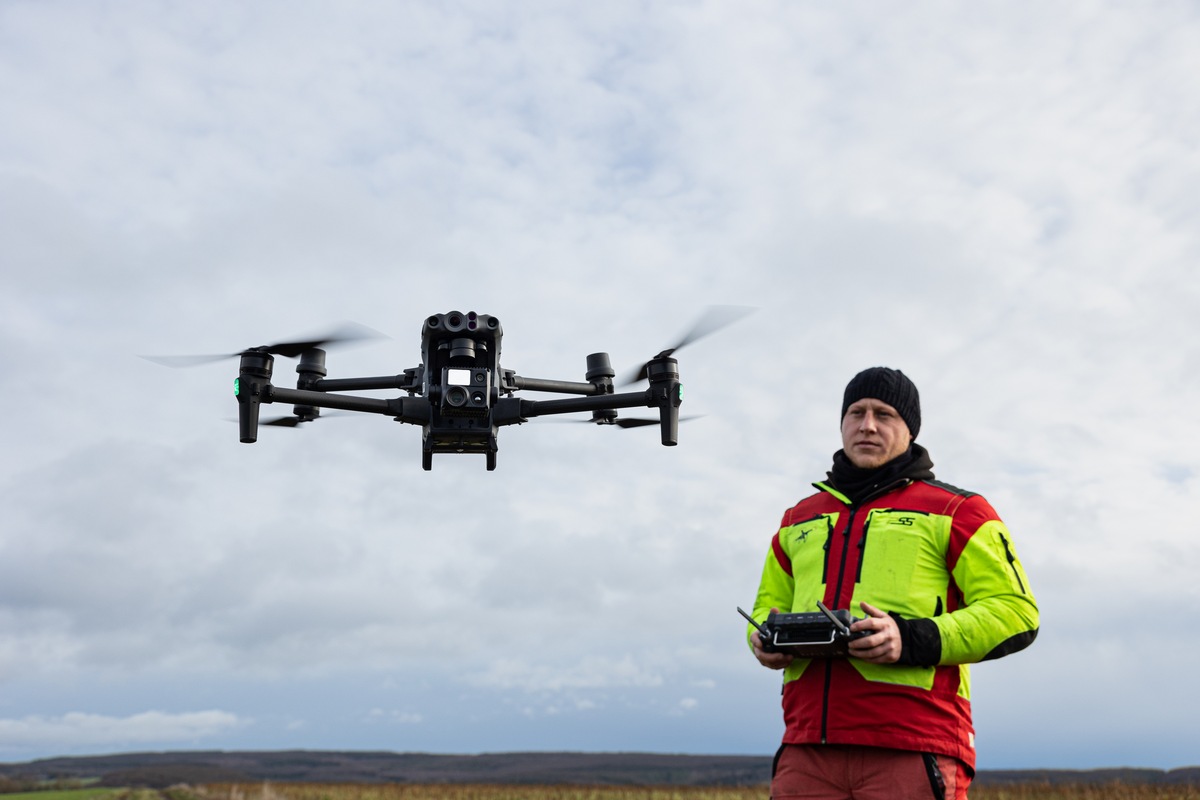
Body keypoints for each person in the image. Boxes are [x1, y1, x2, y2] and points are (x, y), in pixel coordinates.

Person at [747, 367, 1038, 800]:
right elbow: (764, 609)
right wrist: (763, 638)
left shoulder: (961, 510)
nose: (867, 425)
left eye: (884, 415)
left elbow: (1016, 613)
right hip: (806, 746)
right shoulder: (797, 519)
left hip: (914, 742)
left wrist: (908, 637)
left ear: (909, 430)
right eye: (856, 412)